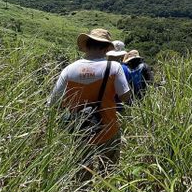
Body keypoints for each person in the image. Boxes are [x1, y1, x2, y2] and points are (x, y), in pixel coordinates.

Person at [48, 28, 131, 167]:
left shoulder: (69, 69)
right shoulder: (114, 67)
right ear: (106, 48)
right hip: (108, 128)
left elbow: (54, 102)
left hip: (81, 131)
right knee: (109, 170)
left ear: (86, 46)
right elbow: (124, 96)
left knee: (82, 174)